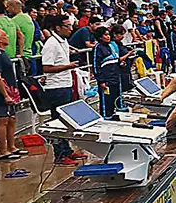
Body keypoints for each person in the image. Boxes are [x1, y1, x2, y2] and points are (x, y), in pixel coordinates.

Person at [40, 14, 82, 166]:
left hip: (65, 85)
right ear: (58, 28)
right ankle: (59, 155)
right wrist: (68, 66)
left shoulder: (63, 41)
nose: (71, 29)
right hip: (56, 88)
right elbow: (47, 67)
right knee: (57, 122)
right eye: (68, 26)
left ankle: (67, 150)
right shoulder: (51, 43)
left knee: (65, 121)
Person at [0, 28, 23, 160]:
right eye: (5, 35)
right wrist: (5, 95)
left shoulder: (3, 53)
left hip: (11, 89)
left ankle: (11, 146)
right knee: (3, 120)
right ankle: (2, 150)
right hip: (1, 92)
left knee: (12, 119)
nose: (8, 37)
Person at [92, 26, 124, 118]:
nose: (108, 37)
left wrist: (121, 63)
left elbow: (115, 60)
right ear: (100, 37)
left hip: (116, 78)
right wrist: (101, 81)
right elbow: (96, 66)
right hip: (106, 81)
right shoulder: (97, 48)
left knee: (116, 99)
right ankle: (107, 117)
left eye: (108, 34)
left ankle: (115, 115)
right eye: (105, 35)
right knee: (107, 102)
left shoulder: (111, 46)